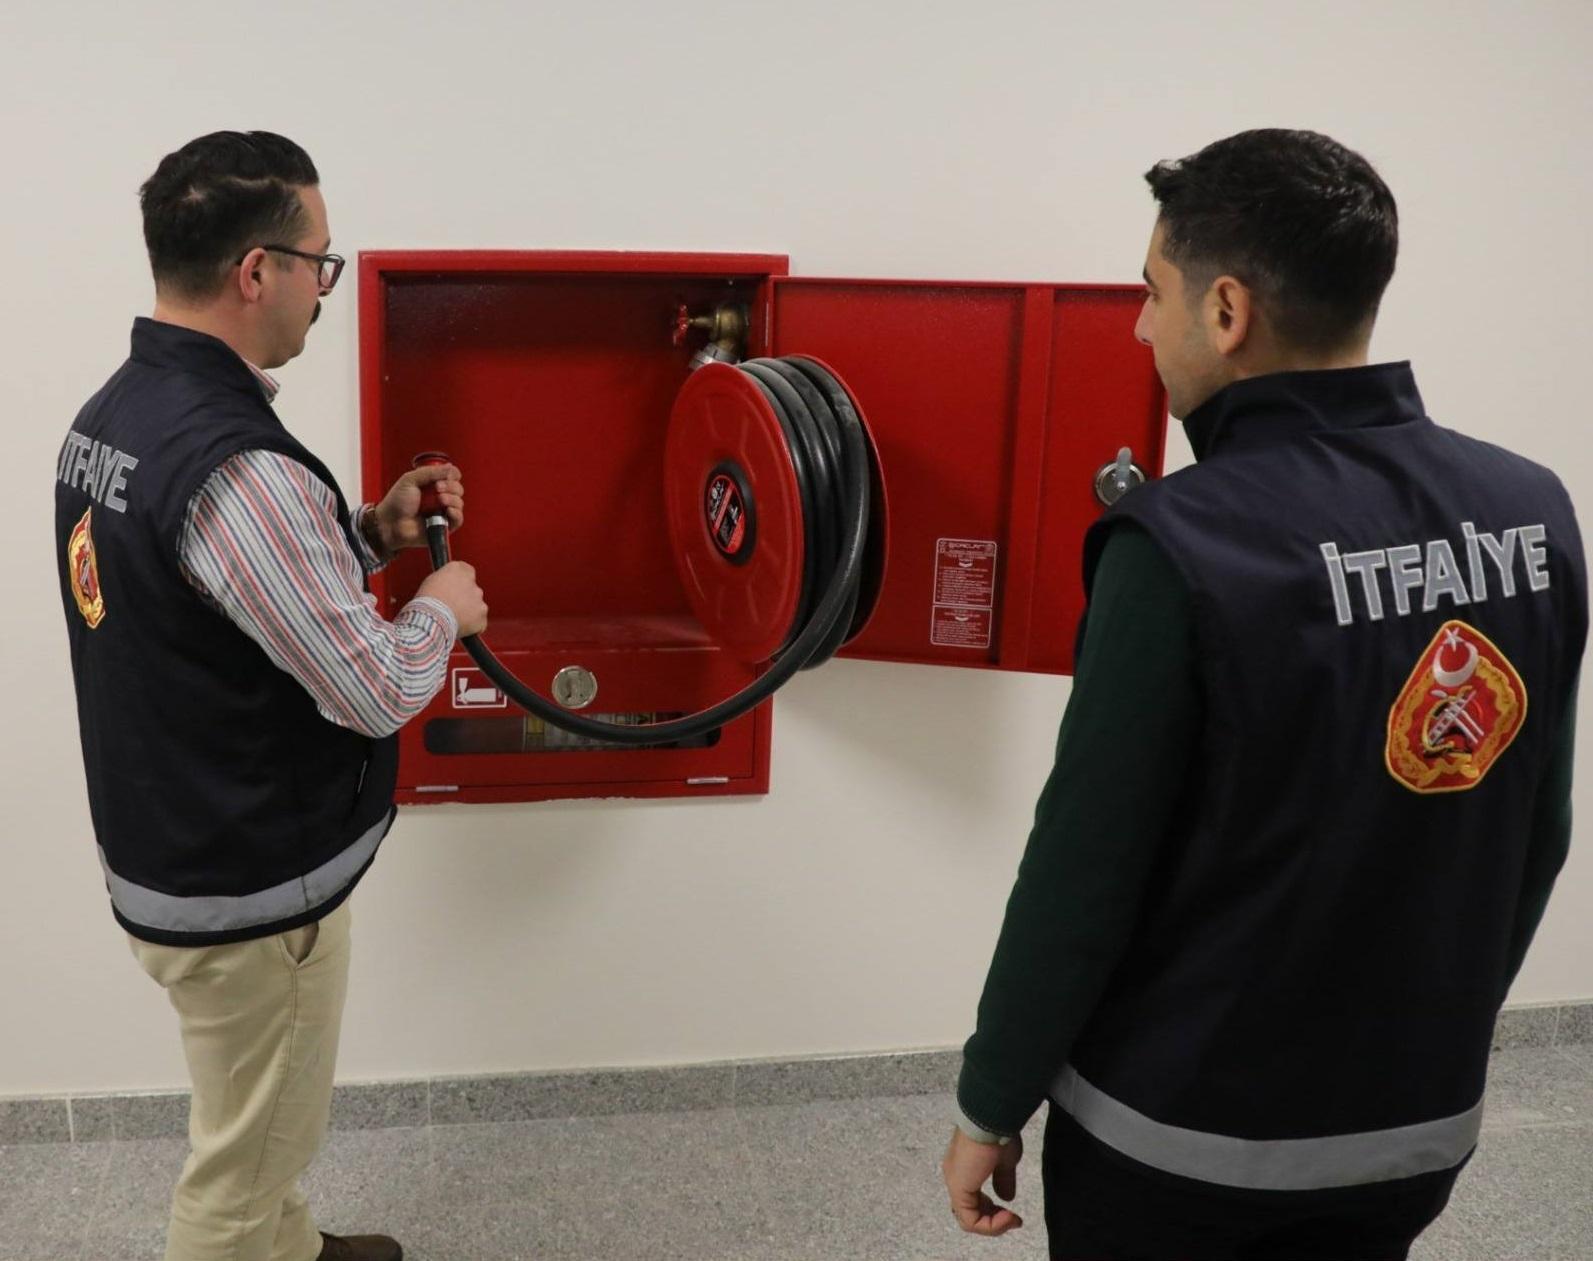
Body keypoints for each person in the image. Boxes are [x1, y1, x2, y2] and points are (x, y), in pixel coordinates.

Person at [941, 129, 1586, 1260]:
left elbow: (1084, 870)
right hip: (1415, 1131)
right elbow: (1537, 828)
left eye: (1153, 293)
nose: (1141, 327)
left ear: (1226, 309)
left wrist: (991, 1097)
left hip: (1181, 1145)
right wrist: (1441, 1038)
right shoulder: (1532, 511)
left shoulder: (1179, 545)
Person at [55, 131, 488, 1261]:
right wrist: (440, 606)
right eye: (319, 262)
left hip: (174, 844)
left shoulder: (113, 418)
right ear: (258, 271)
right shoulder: (239, 465)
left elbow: (214, 603)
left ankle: (291, 1246)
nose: (324, 288)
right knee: (243, 1166)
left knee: (261, 1116)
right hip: (250, 889)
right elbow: (375, 688)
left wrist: (370, 533)